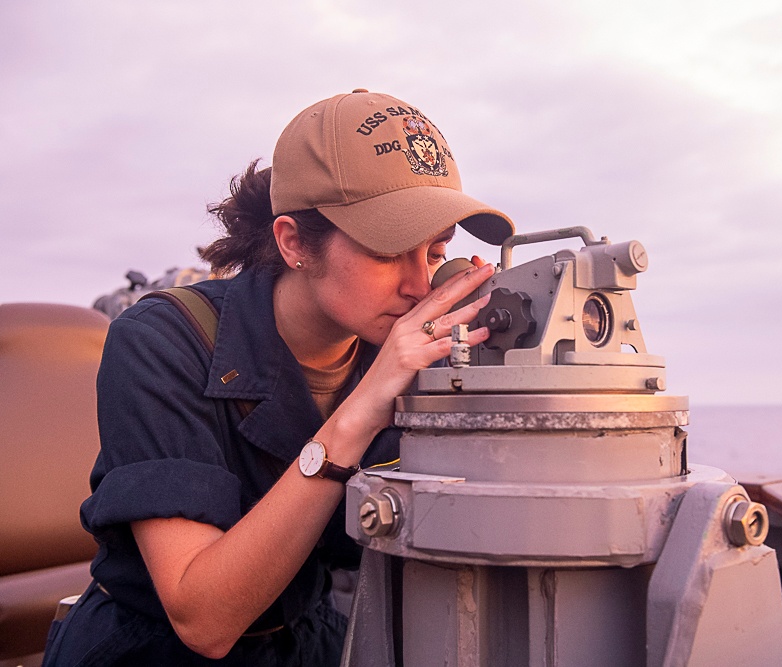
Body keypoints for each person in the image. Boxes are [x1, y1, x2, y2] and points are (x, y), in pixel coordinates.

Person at [42, 89, 514, 665]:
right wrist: (360, 412)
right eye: (390, 253)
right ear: (293, 242)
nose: (420, 286)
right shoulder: (163, 340)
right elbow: (203, 617)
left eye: (436, 254)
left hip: (308, 642)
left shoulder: (402, 351)